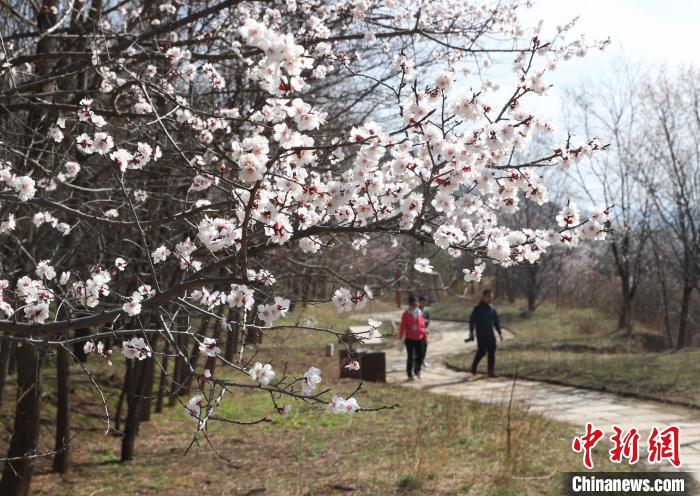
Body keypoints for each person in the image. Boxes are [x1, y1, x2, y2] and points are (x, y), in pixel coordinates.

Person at [467, 289, 502, 377]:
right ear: (483, 297)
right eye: (488, 296)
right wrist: (471, 332)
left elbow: (496, 322)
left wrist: (499, 333)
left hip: (490, 334)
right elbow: (472, 321)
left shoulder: (492, 309)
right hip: (481, 334)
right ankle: (474, 366)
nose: (490, 298)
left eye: (491, 296)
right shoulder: (478, 309)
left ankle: (491, 371)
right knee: (482, 352)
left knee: (492, 352)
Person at [399, 296, 426, 381]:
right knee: (410, 357)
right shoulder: (406, 314)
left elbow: (423, 325)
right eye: (414, 304)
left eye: (417, 304)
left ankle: (417, 371)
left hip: (420, 337)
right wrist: (400, 338)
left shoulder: (420, 313)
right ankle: (409, 374)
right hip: (410, 338)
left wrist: (424, 333)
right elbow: (402, 326)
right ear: (410, 305)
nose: (416, 306)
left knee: (421, 356)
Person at [418, 295, 431, 367]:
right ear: (419, 302)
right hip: (417, 331)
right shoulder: (416, 310)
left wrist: (427, 326)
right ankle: (417, 360)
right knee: (418, 346)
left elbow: (429, 319)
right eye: (422, 302)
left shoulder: (426, 311)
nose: (424, 303)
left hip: (424, 331)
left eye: (425, 302)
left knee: (425, 345)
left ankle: (423, 359)